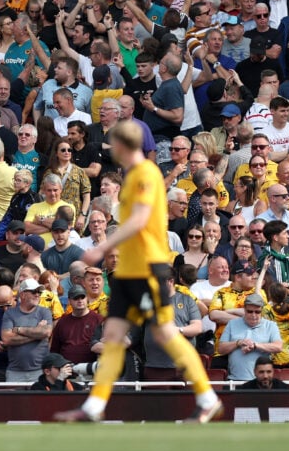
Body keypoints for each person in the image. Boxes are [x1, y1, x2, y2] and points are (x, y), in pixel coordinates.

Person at [55, 121, 222, 423]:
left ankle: (208, 397)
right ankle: (94, 407)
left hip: (148, 268)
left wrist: (102, 247)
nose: (110, 152)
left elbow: (140, 219)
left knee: (163, 332)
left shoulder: (145, 174)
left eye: (112, 146)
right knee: (115, 335)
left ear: (123, 145)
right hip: (129, 272)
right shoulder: (131, 176)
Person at [219, 294, 283, 381]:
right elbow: (221, 349)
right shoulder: (232, 324)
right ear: (244, 310)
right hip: (235, 380)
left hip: (261, 381)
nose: (253, 315)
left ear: (262, 311)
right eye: (250, 311)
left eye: (257, 312)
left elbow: (278, 347)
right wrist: (238, 343)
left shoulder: (271, 325)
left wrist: (255, 345)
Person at [0, 278, 53, 383]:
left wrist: (19, 330)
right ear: (23, 295)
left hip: (40, 370)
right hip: (15, 372)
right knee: (14, 400)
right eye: (34, 292)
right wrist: (37, 334)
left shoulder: (45, 312)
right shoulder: (10, 313)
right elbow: (7, 339)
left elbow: (46, 332)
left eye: (39, 292)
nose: (37, 295)